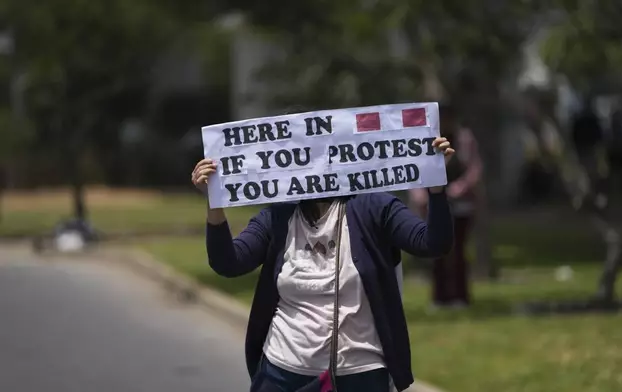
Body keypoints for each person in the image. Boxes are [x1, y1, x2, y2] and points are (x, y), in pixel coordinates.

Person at [191, 138, 455, 392]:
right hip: (282, 374)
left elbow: (432, 243)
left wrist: (436, 189)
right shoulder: (278, 215)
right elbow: (228, 262)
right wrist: (215, 202)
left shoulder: (374, 207)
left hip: (359, 376)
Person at [408, 104, 482, 309]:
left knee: (458, 251)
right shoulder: (424, 139)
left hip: (461, 205)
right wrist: (421, 196)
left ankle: (460, 296)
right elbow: (415, 170)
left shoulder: (464, 139)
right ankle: (439, 297)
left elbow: (474, 169)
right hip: (434, 206)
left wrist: (457, 189)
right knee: (437, 251)